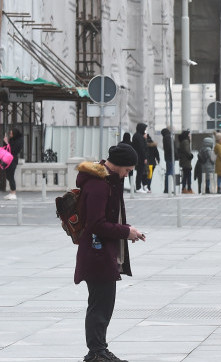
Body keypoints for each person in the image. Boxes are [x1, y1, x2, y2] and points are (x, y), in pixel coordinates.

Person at [74, 142, 146, 362]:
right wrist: (125, 231)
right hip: (96, 253)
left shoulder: (108, 182)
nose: (128, 174)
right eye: (128, 170)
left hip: (101, 252)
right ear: (120, 165)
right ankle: (96, 352)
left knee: (104, 303)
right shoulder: (99, 185)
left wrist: (129, 231)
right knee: (100, 304)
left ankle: (99, 349)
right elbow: (97, 224)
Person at [3, 128, 24, 200]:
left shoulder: (18, 141)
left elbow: (12, 149)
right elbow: (6, 148)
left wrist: (7, 143)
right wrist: (5, 142)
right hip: (8, 158)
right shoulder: (12, 140)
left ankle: (13, 192)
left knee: (11, 175)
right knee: (8, 175)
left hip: (12, 159)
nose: (10, 135)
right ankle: (12, 191)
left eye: (11, 133)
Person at [130, 123, 149, 193]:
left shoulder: (137, 135)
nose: (145, 130)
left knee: (141, 172)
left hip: (138, 156)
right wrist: (145, 158)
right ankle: (138, 187)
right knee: (140, 172)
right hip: (140, 157)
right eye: (144, 129)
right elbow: (142, 148)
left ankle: (141, 186)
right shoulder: (139, 136)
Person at [161, 127, 176, 194]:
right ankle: (167, 189)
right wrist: (174, 153)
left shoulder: (165, 137)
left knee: (169, 172)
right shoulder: (167, 137)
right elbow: (170, 147)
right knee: (169, 173)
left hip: (168, 157)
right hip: (170, 157)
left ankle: (167, 188)